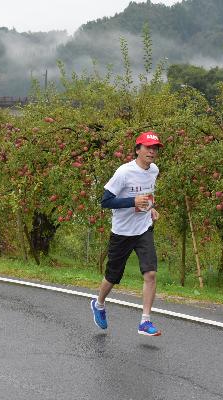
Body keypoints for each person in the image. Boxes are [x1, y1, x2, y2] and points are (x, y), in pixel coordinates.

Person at [90, 131, 163, 336]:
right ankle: (99, 303)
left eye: (155, 148)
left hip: (143, 228)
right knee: (112, 276)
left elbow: (147, 195)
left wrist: (151, 208)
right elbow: (105, 201)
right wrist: (132, 202)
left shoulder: (154, 170)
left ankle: (145, 322)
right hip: (122, 232)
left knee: (150, 273)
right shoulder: (123, 172)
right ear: (137, 149)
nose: (152, 151)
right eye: (148, 147)